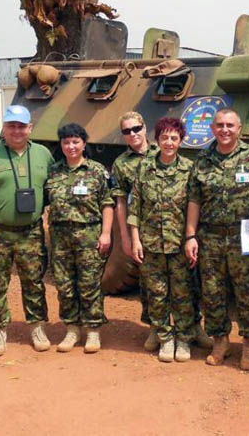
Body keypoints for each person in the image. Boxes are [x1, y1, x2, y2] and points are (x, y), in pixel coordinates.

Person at [0, 104, 53, 357]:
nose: (16, 130)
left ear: (30, 128)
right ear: (4, 128)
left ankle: (37, 327)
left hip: (31, 232)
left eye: (21, 126)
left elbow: (53, 190)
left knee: (34, 282)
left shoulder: (43, 154)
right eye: (11, 126)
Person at [184, 108, 249, 369]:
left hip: (246, 235)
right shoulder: (202, 160)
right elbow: (194, 199)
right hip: (210, 235)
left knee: (247, 290)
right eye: (219, 125)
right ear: (212, 129)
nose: (225, 130)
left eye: (230, 125)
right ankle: (220, 340)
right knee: (212, 291)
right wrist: (190, 235)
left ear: (239, 128)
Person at [128, 117, 197, 363]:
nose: (169, 142)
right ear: (157, 140)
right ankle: (165, 337)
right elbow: (134, 208)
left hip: (179, 244)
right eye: (164, 137)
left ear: (181, 141)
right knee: (156, 294)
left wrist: (191, 238)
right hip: (151, 243)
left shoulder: (189, 169)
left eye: (174, 138)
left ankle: (184, 338)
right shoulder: (144, 168)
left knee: (183, 293)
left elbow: (194, 205)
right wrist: (135, 240)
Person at [46, 123, 114, 353]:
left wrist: (106, 233)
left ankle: (93, 330)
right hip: (60, 238)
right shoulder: (54, 171)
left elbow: (107, 203)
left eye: (75, 141)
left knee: (90, 284)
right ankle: (72, 329)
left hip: (89, 236)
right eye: (66, 142)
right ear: (61, 145)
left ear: (84, 144)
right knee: (64, 285)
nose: (71, 146)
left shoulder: (97, 171)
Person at [111, 111, 159, 351]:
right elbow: (120, 203)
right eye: (127, 131)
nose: (133, 134)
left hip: (171, 227)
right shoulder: (121, 164)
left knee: (184, 281)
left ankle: (191, 327)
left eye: (136, 129)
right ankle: (155, 329)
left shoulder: (163, 152)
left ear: (144, 127)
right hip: (142, 229)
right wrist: (125, 237)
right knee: (149, 282)